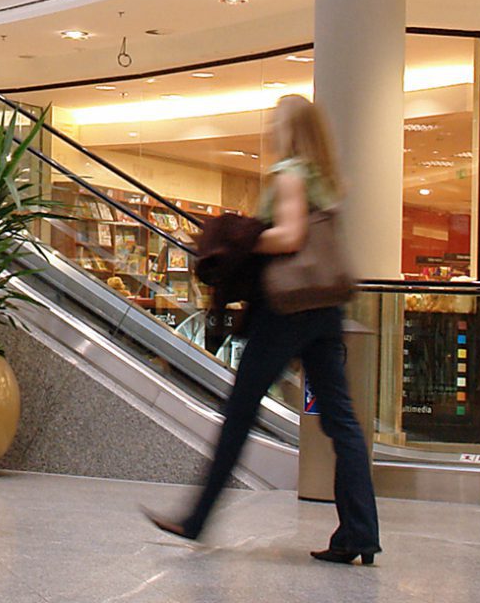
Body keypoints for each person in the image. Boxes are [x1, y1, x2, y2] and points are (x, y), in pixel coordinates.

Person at [145, 93, 379, 563]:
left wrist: (244, 239)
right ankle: (360, 532)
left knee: (239, 413)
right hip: (325, 306)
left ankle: (197, 516)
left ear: (289, 130)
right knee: (341, 422)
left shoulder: (290, 172)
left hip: (287, 309)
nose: (271, 130)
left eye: (276, 122)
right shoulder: (326, 179)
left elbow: (290, 235)